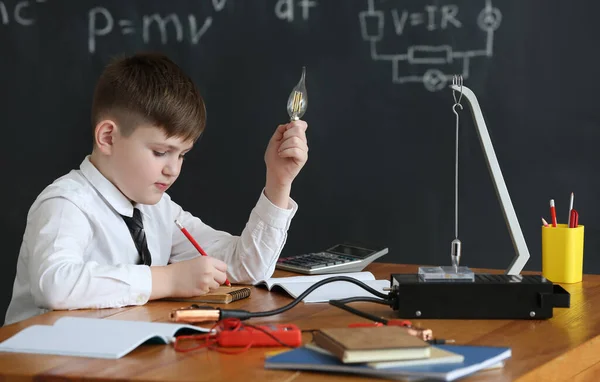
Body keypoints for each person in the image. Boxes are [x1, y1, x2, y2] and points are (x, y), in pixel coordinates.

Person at [4, 52, 309, 325]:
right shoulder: (66, 203)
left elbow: (246, 267)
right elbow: (56, 284)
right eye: (161, 152)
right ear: (108, 137)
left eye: (182, 155)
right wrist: (167, 279)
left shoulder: (158, 210)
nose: (172, 169)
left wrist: (279, 181)